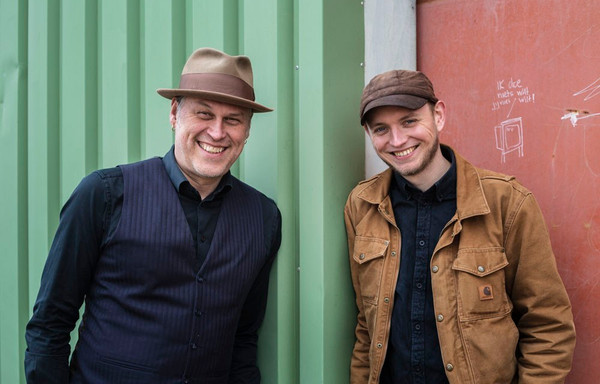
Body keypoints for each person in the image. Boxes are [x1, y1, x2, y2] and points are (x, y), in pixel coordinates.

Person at [25, 48, 282, 384]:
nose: (217, 132)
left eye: (233, 120)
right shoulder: (104, 194)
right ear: (174, 113)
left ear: (246, 130)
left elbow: (244, 339)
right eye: (204, 114)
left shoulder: (263, 217)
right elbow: (49, 325)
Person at [344, 70, 576, 384]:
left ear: (438, 115)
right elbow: (366, 327)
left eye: (409, 121)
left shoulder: (506, 202)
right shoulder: (362, 206)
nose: (397, 141)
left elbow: (548, 326)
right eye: (381, 129)